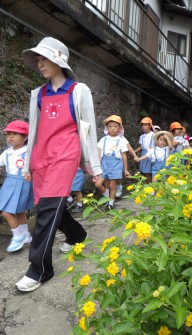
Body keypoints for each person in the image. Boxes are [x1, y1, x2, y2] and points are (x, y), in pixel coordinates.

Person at [15, 37, 102, 292]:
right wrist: (28, 164)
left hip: (66, 154)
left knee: (47, 210)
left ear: (59, 60)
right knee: (49, 207)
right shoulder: (38, 94)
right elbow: (35, 130)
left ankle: (40, 269)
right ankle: (77, 236)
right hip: (42, 157)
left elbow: (89, 131)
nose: (41, 64)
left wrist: (95, 169)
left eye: (45, 59)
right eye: (38, 59)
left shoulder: (79, 91)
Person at [0, 120, 33, 252]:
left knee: (7, 212)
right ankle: (25, 235)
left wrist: (31, 174)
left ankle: (18, 236)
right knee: (19, 211)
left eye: (15, 134)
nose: (10, 137)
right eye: (8, 134)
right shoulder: (7, 152)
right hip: (9, 183)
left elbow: (36, 166)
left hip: (22, 183)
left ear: (25, 136)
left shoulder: (28, 152)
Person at [95, 115, 130, 210]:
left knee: (112, 185)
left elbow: (124, 155)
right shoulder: (103, 139)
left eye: (115, 126)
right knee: (98, 184)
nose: (112, 128)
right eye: (110, 126)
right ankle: (107, 197)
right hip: (104, 165)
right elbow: (99, 153)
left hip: (115, 166)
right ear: (107, 128)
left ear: (120, 128)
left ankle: (110, 203)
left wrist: (126, 170)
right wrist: (96, 167)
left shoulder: (121, 140)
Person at [134, 117, 155, 183]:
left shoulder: (153, 135)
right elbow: (141, 147)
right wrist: (135, 151)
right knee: (143, 172)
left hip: (150, 155)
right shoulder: (142, 136)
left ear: (150, 126)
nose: (143, 127)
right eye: (142, 125)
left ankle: (151, 188)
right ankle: (146, 187)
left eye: (145, 125)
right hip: (143, 154)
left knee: (148, 172)